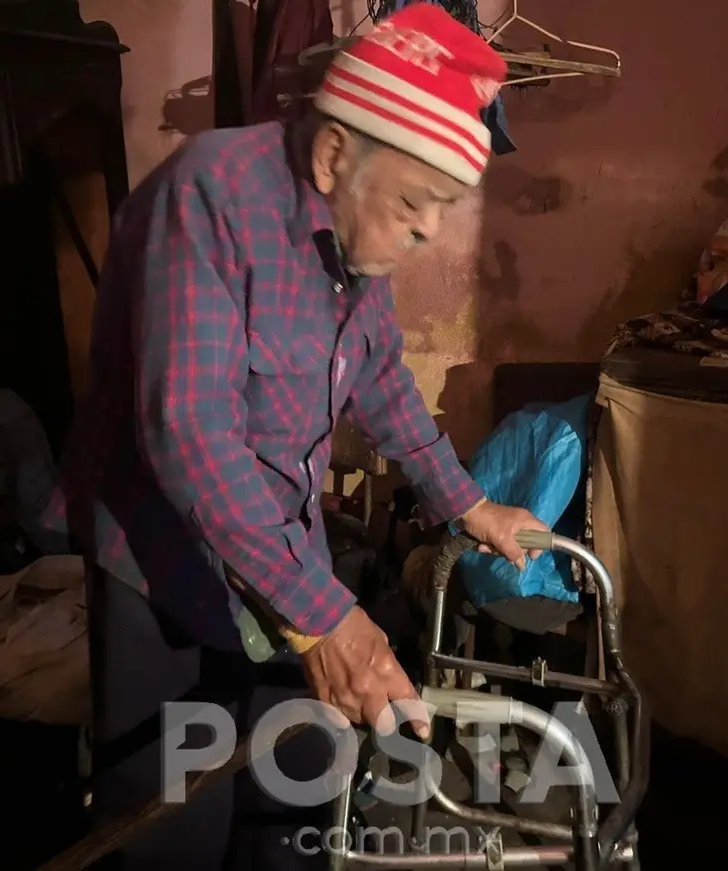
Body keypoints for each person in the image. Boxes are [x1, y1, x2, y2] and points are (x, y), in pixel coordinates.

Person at [50, 5, 547, 868]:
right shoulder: (210, 195)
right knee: (173, 819)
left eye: (442, 207)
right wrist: (328, 621)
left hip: (279, 546)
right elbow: (190, 432)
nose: (429, 230)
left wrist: (467, 505)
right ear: (331, 157)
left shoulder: (355, 233)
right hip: (159, 561)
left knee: (295, 791)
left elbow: (382, 374)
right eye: (416, 203)